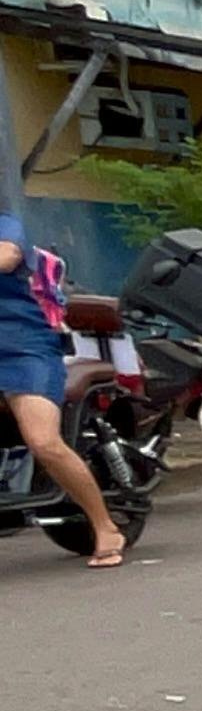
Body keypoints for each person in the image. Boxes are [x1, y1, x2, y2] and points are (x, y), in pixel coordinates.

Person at [0, 215, 121, 567]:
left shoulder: (7, 225)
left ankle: (105, 526)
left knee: (43, 442)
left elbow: (7, 256)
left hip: (23, 347)